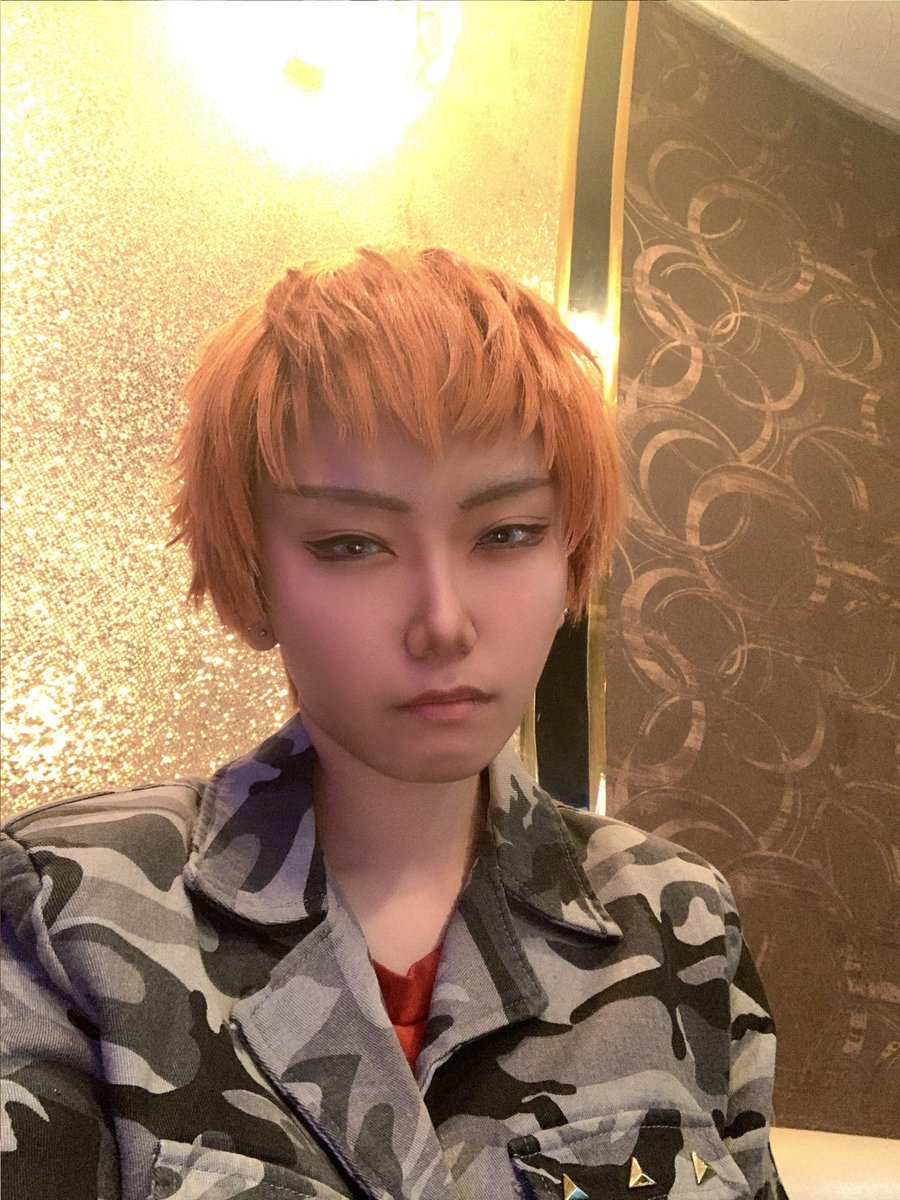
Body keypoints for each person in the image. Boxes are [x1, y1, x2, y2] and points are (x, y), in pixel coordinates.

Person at [1, 247, 786, 1200]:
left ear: (570, 551)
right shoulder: (66, 906)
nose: (444, 622)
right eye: (352, 545)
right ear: (254, 573)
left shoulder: (677, 918)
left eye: (508, 534)